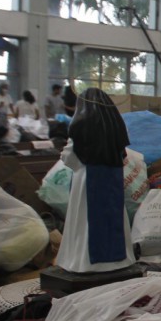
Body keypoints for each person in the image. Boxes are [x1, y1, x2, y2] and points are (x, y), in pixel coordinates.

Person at [55, 87, 134, 273]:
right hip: (112, 176)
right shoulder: (116, 125)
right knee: (112, 218)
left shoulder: (80, 125)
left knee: (85, 222)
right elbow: (123, 154)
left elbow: (69, 157)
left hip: (86, 178)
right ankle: (118, 260)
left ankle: (87, 263)